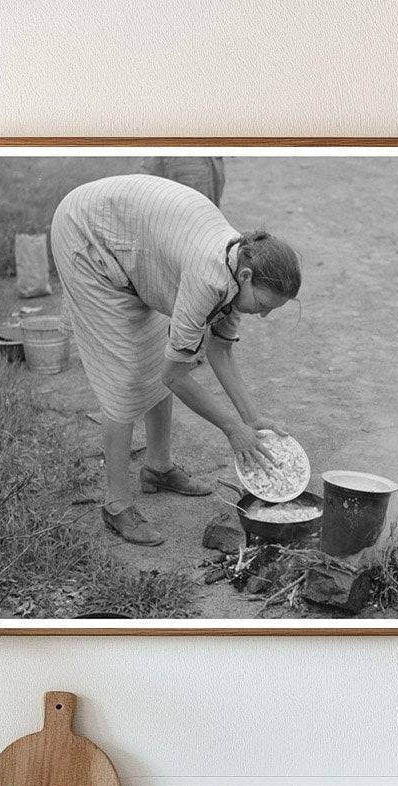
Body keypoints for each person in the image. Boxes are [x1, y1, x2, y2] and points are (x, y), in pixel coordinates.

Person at [50, 174, 301, 546]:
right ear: (246, 277)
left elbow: (219, 348)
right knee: (127, 376)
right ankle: (116, 504)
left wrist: (252, 418)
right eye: (263, 305)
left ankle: (158, 467)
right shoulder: (209, 276)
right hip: (87, 233)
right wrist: (233, 429)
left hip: (130, 235)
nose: (262, 315)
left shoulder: (237, 265)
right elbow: (175, 378)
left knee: (157, 350)